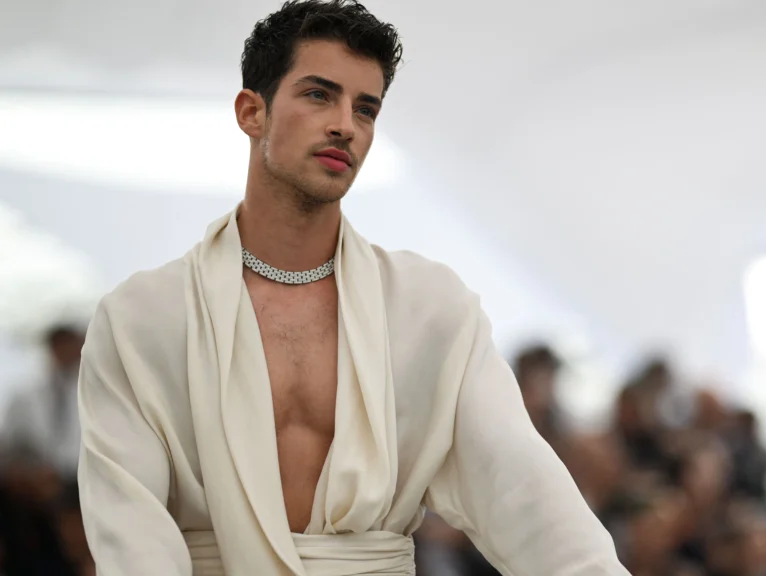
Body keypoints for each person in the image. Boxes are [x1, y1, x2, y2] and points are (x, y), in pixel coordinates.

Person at [76, 1, 627, 574]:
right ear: (251, 112)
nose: (346, 123)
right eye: (319, 94)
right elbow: (133, 541)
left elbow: (528, 498)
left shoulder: (430, 309)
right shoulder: (141, 317)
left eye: (366, 109)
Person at [1, 324, 85, 480]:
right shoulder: (24, 394)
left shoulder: (94, 393)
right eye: (61, 346)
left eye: (71, 346)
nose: (66, 352)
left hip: (84, 479)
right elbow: (10, 443)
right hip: (39, 482)